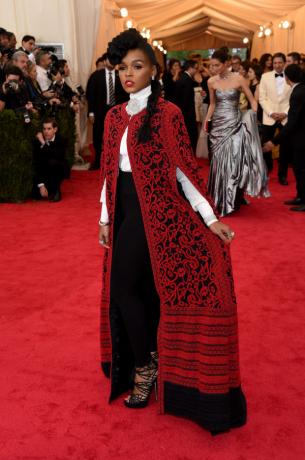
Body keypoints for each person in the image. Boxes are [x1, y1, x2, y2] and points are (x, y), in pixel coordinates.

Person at [98, 28, 247, 435]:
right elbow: (109, 171)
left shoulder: (167, 114)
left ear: (153, 69)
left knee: (123, 289)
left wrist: (209, 216)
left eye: (137, 66)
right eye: (122, 67)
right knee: (138, 290)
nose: (128, 74)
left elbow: (185, 171)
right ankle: (149, 360)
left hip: (160, 215)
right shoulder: (114, 117)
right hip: (124, 211)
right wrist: (104, 216)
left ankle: (146, 367)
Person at [204, 49, 269, 216]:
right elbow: (212, 104)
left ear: (226, 64)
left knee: (234, 161)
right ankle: (219, 197)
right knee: (218, 163)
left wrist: (253, 116)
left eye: (217, 65)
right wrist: (206, 120)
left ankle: (234, 198)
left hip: (235, 123)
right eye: (211, 65)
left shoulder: (239, 79)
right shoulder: (211, 81)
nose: (214, 68)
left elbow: (252, 100)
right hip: (218, 125)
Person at [263, 64, 305, 212]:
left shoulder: (297, 93)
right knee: (299, 168)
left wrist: (274, 141)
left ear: (287, 78)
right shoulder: (300, 89)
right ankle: (300, 197)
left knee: (301, 169)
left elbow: (292, 122)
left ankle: (303, 200)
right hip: (300, 135)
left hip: (301, 137)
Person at [86, 54, 128, 170]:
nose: (113, 62)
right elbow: (91, 95)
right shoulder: (96, 76)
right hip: (99, 111)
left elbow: (126, 95)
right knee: (98, 136)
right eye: (110, 60)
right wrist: (91, 112)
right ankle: (98, 161)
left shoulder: (121, 75)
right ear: (105, 61)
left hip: (116, 111)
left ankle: (116, 162)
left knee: (117, 136)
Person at [259, 52, 292, 182]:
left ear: (284, 63)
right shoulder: (265, 76)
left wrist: (286, 112)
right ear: (272, 63)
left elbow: (293, 98)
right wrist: (271, 112)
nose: (277, 65)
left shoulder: (291, 76)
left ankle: (282, 175)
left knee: (285, 147)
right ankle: (267, 170)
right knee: (266, 145)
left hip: (286, 117)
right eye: (275, 63)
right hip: (269, 116)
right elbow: (262, 98)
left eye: (280, 63)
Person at [33, 118, 69, 202]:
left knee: (53, 162)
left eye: (49, 129)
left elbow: (55, 155)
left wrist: (43, 142)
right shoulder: (36, 142)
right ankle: (47, 187)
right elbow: (37, 163)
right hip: (44, 171)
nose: (46, 131)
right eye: (44, 129)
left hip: (58, 169)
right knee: (36, 195)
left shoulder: (62, 140)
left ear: (55, 129)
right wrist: (41, 185)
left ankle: (56, 190)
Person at [175, 59, 199, 151]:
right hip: (187, 114)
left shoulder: (184, 78)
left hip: (184, 113)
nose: (196, 71)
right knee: (191, 137)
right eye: (195, 68)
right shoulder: (187, 80)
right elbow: (186, 100)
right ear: (190, 68)